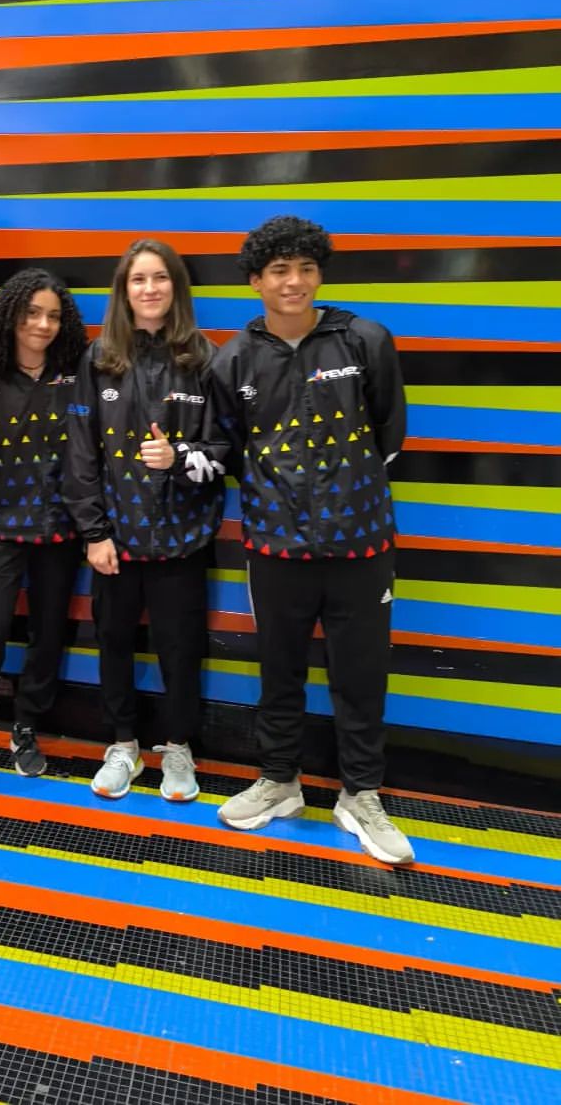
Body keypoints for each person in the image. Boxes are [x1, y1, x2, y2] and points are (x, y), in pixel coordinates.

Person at [211, 215, 413, 865]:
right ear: (256, 281)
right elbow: (229, 447)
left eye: (304, 268)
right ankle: (280, 782)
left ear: (319, 273)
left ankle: (361, 795)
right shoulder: (232, 359)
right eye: (279, 270)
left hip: (361, 547)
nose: (293, 282)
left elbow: (389, 435)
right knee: (279, 672)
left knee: (361, 677)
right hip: (275, 551)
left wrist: (341, 496)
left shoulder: (364, 339)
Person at [63, 239, 227, 803]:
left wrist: (179, 457)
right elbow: (80, 452)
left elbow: (223, 453)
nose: (150, 288)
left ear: (176, 288)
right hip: (115, 540)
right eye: (139, 279)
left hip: (183, 540)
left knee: (181, 648)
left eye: (160, 278)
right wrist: (94, 532)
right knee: (113, 642)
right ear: (124, 290)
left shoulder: (206, 358)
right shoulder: (98, 357)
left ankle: (178, 748)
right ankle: (123, 745)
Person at [0, 268, 88, 789]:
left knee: (47, 634)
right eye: (32, 313)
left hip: (59, 526)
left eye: (52, 316)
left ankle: (26, 727)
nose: (42, 324)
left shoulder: (76, 373)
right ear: (11, 315)